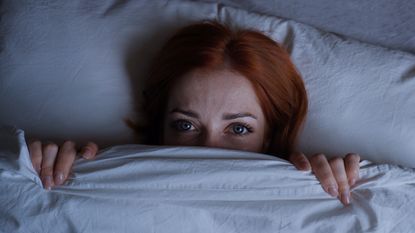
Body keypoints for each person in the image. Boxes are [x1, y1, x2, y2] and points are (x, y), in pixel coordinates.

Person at [27, 20, 360, 206]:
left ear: (271, 133)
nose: (207, 149)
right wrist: (43, 173)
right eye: (185, 124)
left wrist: (337, 187)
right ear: (160, 127)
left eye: (239, 129)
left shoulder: (302, 192)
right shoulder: (103, 175)